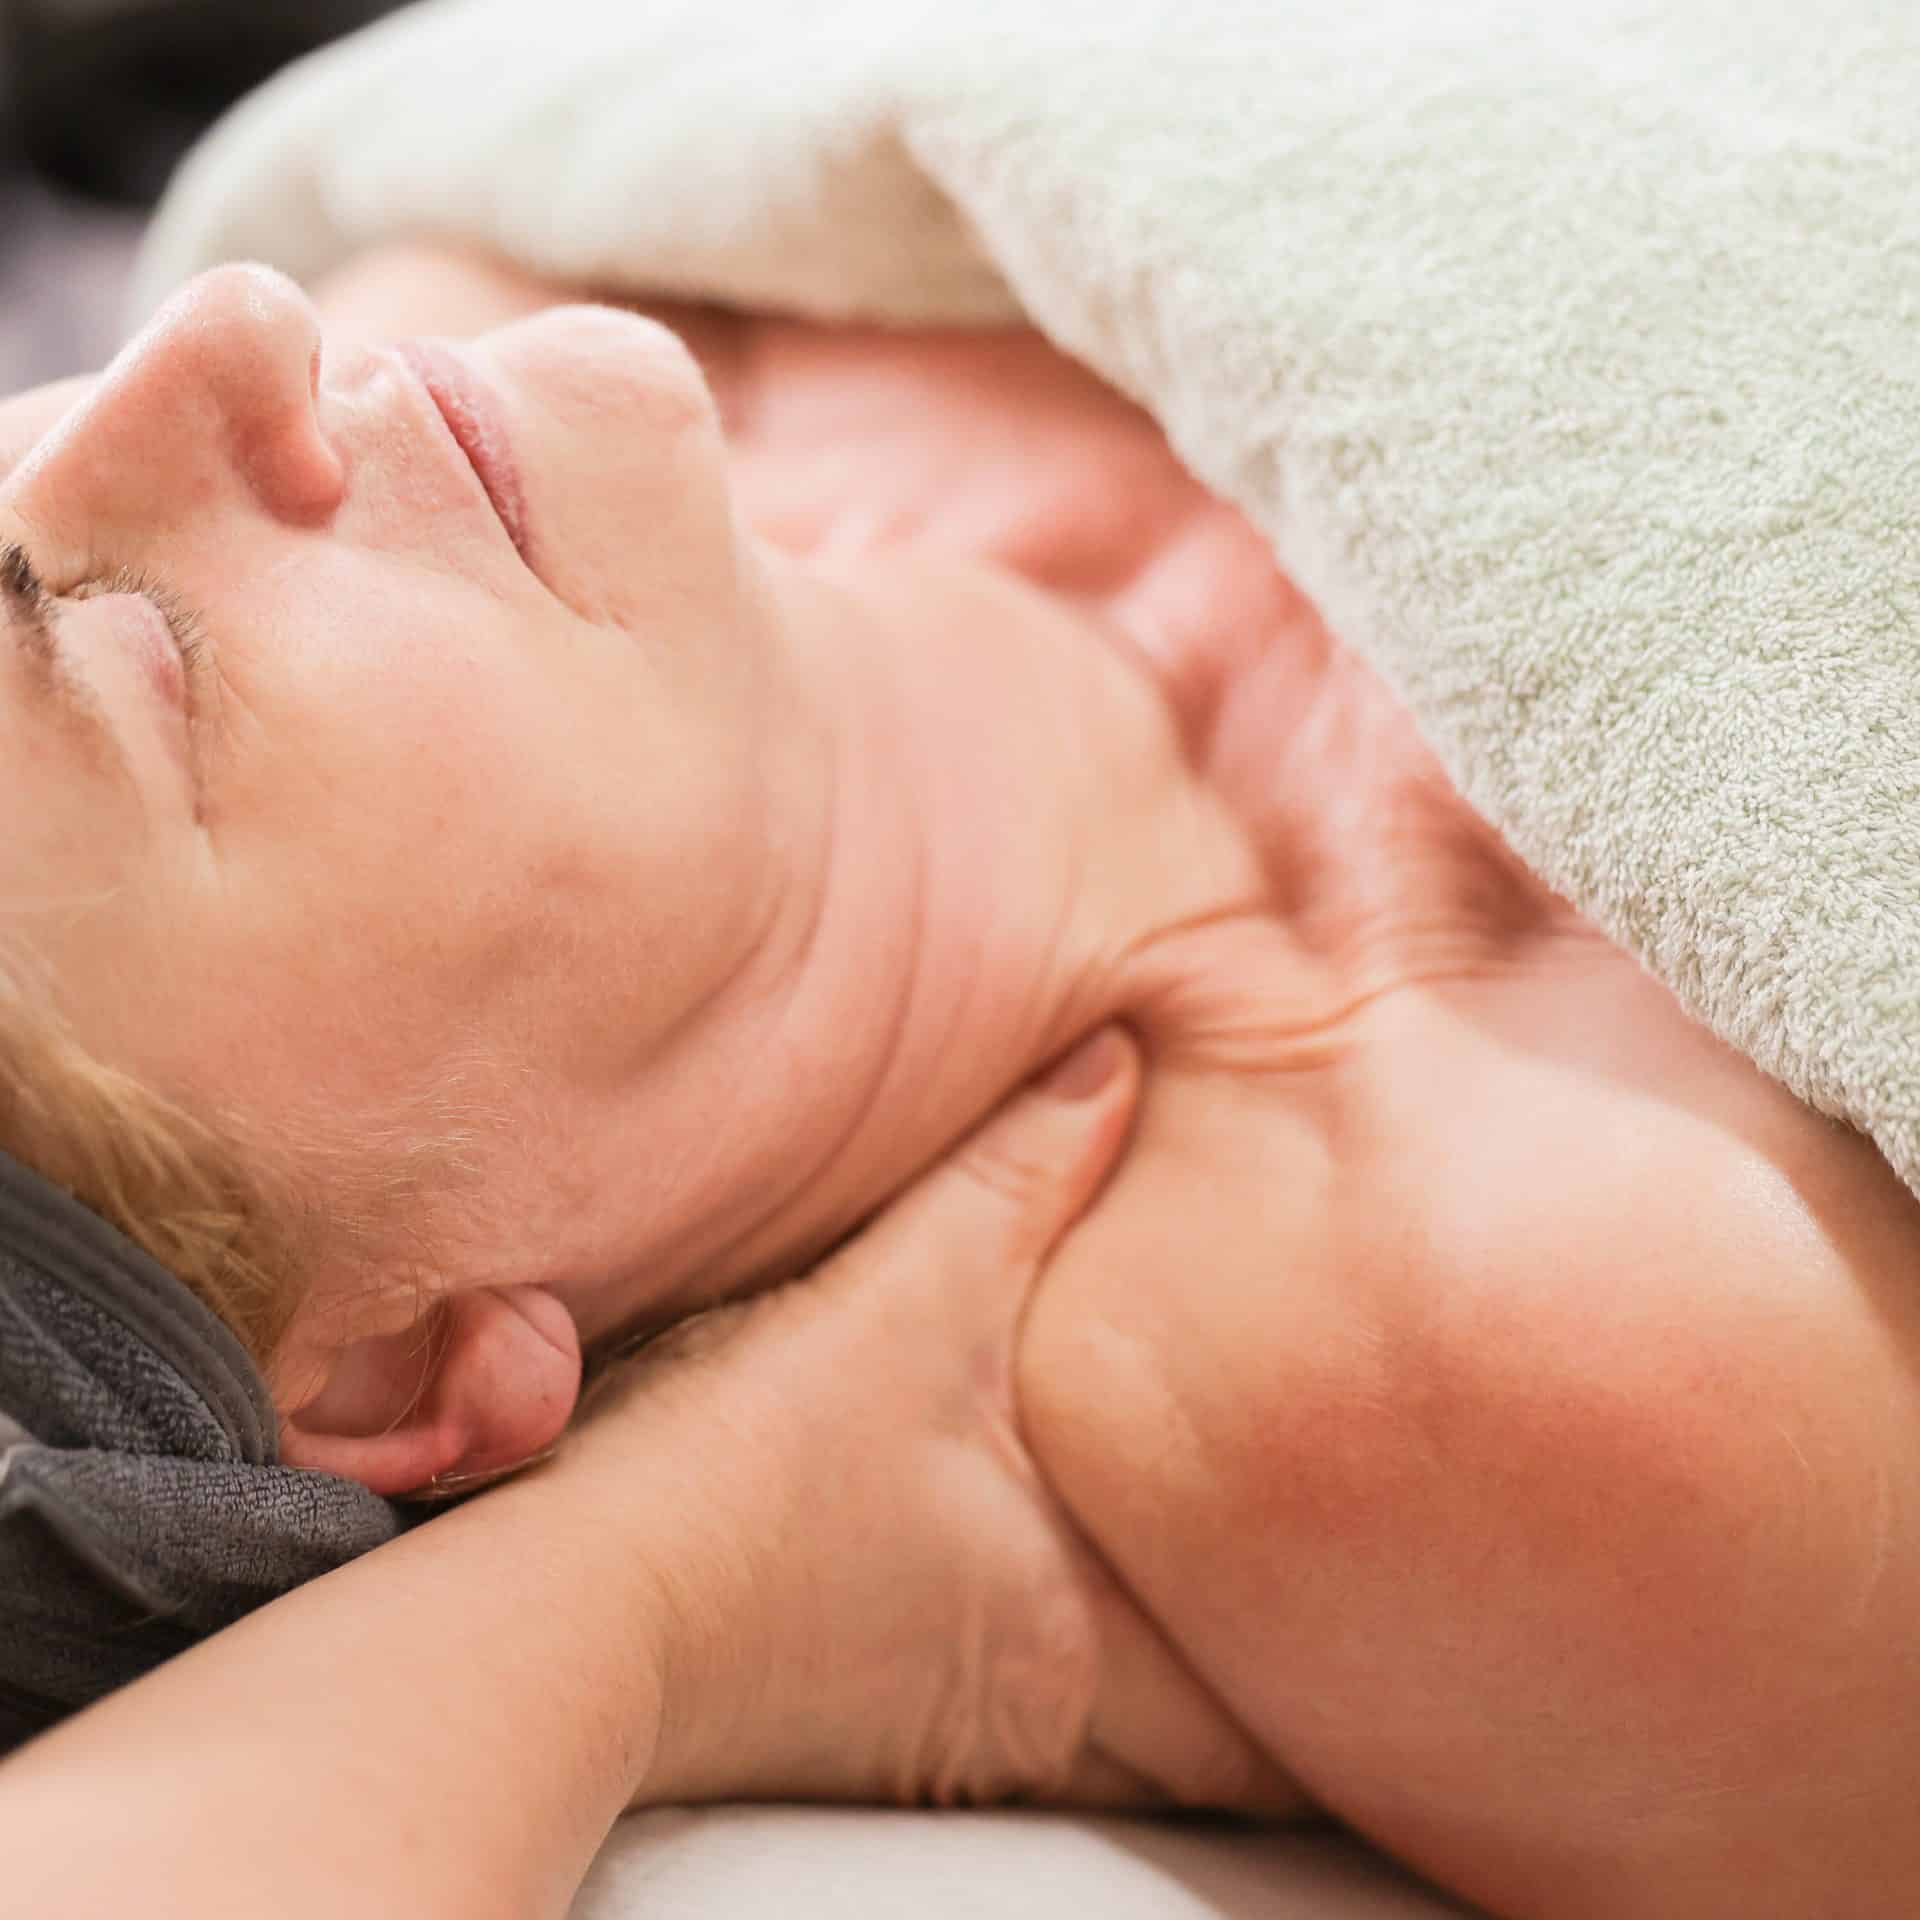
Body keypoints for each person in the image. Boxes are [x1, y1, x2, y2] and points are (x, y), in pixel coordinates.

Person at [3, 253, 1918, 1917]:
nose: (224, 319)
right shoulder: (1560, 1322)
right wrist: (661, 1576)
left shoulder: (554, 261)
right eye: (142, 658)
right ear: (385, 1363)